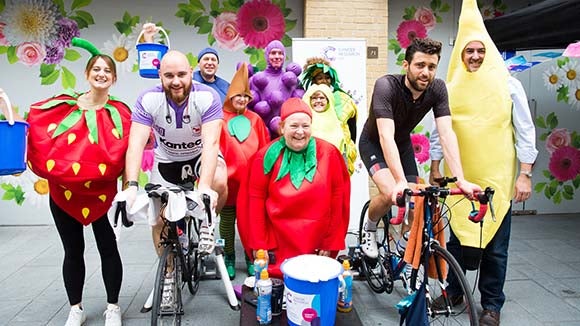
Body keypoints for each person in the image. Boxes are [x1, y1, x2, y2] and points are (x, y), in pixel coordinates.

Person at [429, 1, 537, 325]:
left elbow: (525, 130)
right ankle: (455, 291)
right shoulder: (448, 87)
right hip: (459, 177)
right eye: (468, 51)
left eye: (479, 50)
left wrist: (525, 174)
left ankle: (491, 304)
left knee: (495, 245)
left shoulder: (509, 84)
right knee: (458, 239)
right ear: (460, 54)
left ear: (487, 51)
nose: (474, 56)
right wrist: (435, 167)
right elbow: (440, 131)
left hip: (496, 177)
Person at [26, 38, 129, 326]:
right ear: (87, 74)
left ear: (114, 78)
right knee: (73, 251)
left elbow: (130, 147)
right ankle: (76, 307)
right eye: (96, 69)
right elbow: (37, 122)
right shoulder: (63, 105)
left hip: (102, 195)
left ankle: (113, 306)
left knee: (108, 247)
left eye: (107, 71)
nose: (101, 74)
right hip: (64, 193)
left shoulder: (121, 113)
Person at [358, 37, 481, 260]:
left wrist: (460, 179)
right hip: (374, 143)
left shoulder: (437, 89)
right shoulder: (386, 86)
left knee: (416, 201)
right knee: (390, 194)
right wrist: (400, 181)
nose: (426, 72)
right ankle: (370, 226)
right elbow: (386, 136)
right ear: (406, 66)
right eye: (420, 65)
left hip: (403, 144)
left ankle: (404, 248)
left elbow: (446, 134)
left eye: (431, 67)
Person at [123, 49, 227, 302]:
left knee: (220, 181)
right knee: (158, 219)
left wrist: (204, 188)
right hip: (167, 159)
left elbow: (212, 144)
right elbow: (135, 144)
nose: (176, 81)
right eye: (169, 75)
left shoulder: (207, 96)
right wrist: (131, 185)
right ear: (160, 76)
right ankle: (169, 273)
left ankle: (206, 223)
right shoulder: (148, 99)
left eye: (181, 74)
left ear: (191, 72)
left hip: (199, 155)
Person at [236, 97, 351, 278]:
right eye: (294, 126)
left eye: (305, 126)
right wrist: (259, 244)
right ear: (282, 128)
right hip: (278, 245)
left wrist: (330, 244)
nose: (300, 132)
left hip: (316, 246)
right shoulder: (264, 157)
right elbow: (253, 203)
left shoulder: (330, 154)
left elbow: (339, 201)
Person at [219, 62, 270, 279]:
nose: (241, 100)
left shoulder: (255, 119)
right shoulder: (219, 119)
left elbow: (264, 147)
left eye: (245, 97)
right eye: (238, 96)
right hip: (228, 183)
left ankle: (251, 257)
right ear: (230, 96)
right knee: (228, 221)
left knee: (250, 223)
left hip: (251, 184)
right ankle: (229, 256)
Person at [300, 57, 358, 174]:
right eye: (320, 78)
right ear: (313, 80)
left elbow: (352, 128)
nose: (324, 81)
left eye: (327, 78)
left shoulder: (344, 99)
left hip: (340, 150)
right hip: (315, 153)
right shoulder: (306, 100)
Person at [247, 40, 304, 138]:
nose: (277, 56)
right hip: (261, 135)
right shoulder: (254, 80)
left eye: (280, 53)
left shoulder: (292, 80)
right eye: (273, 53)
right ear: (267, 56)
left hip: (288, 137)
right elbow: (247, 109)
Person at [302, 84, 351, 172]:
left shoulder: (336, 122)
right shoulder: (304, 121)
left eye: (322, 98)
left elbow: (341, 152)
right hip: (309, 170)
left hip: (332, 170)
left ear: (328, 100)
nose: (318, 101)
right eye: (314, 98)